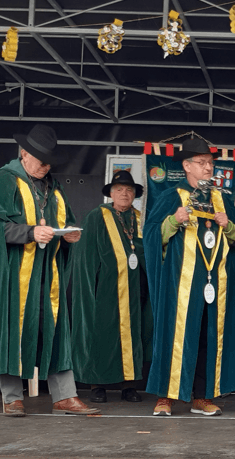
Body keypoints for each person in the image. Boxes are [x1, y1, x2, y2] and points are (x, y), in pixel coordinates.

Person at [0, 124, 99, 417]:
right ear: (23, 153)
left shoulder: (53, 187)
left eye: (49, 162)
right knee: (12, 330)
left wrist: (68, 234)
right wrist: (30, 232)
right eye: (41, 160)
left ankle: (64, 396)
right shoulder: (4, 180)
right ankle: (12, 398)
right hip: (15, 276)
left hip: (48, 276)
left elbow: (63, 220)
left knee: (57, 332)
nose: (46, 166)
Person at [144, 138, 235, 416]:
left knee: (206, 337)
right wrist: (173, 220)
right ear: (187, 166)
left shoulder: (222, 200)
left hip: (214, 282)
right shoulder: (171, 196)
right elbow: (152, 237)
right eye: (201, 163)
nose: (208, 167)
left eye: (210, 163)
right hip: (179, 283)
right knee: (173, 335)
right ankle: (165, 397)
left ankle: (202, 396)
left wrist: (228, 225)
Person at [71, 170, 152, 403]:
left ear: (135, 194)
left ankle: (129, 385)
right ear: (111, 193)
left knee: (133, 335)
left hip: (135, 289)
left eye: (129, 190)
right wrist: (90, 288)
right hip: (104, 288)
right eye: (119, 189)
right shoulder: (97, 216)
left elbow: (149, 252)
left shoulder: (141, 219)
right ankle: (98, 385)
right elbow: (85, 256)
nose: (124, 193)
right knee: (102, 335)